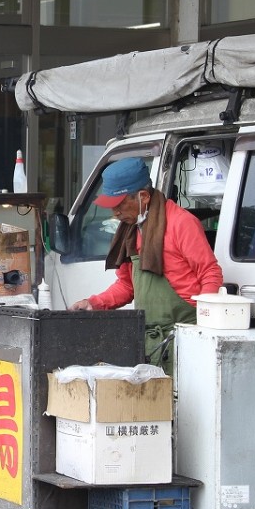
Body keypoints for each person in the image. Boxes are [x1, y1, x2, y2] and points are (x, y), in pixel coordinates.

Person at [69, 157, 223, 369]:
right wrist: (94, 303)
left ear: (143, 196)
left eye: (120, 205)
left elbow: (210, 273)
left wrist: (204, 328)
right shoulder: (130, 231)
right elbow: (126, 285)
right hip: (149, 341)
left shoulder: (181, 223)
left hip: (186, 338)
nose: (115, 213)